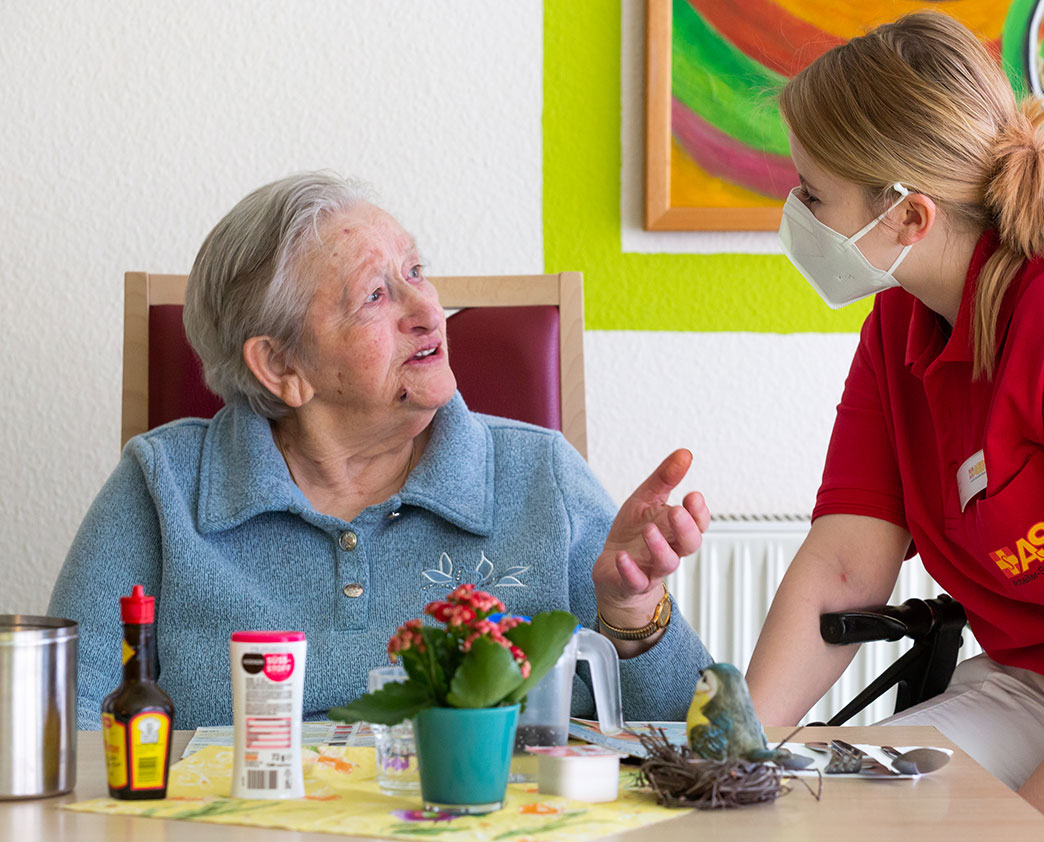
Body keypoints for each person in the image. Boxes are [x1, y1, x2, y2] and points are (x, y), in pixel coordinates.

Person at [744, 11, 1044, 840]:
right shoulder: (900, 324)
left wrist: (1017, 824)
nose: (795, 212)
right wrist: (739, 754)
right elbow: (847, 564)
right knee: (814, 815)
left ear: (909, 218)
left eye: (813, 194)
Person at [49, 172, 712, 730]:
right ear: (281, 367)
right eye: (375, 294)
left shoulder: (541, 476)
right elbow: (69, 721)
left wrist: (633, 617)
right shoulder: (161, 486)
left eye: (416, 271)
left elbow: (685, 735)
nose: (427, 308)